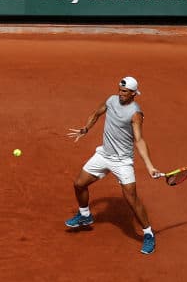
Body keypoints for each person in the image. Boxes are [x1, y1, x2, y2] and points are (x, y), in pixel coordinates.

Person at [66, 77, 162, 256]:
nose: (120, 94)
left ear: (134, 93)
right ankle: (85, 215)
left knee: (131, 198)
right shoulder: (111, 100)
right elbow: (96, 113)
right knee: (79, 184)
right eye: (119, 90)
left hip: (122, 161)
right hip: (104, 154)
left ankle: (148, 234)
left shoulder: (135, 113)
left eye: (124, 92)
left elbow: (139, 140)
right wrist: (85, 129)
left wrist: (150, 166)